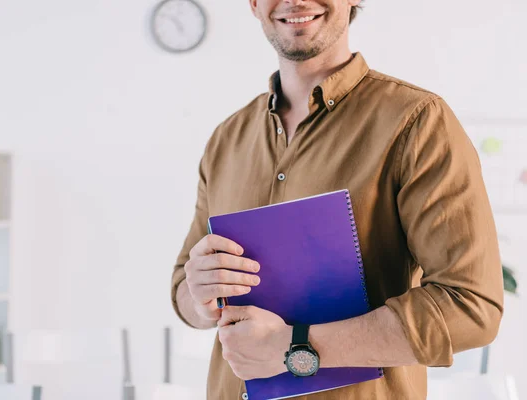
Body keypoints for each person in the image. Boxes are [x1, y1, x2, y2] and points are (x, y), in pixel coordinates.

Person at [170, 0, 504, 398]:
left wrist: (295, 348)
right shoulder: (226, 139)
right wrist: (200, 293)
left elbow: (470, 306)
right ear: (255, 4)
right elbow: (184, 292)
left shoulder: (417, 122)